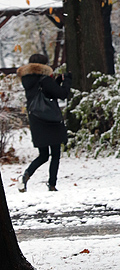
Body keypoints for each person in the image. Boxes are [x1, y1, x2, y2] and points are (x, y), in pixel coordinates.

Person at [17, 53, 72, 192]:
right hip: (50, 119)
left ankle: (25, 175)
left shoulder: (27, 80)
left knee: (43, 155)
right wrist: (67, 81)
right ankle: (52, 185)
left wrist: (57, 80)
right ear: (44, 65)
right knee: (55, 154)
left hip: (36, 119)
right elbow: (61, 94)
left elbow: (46, 92)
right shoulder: (44, 79)